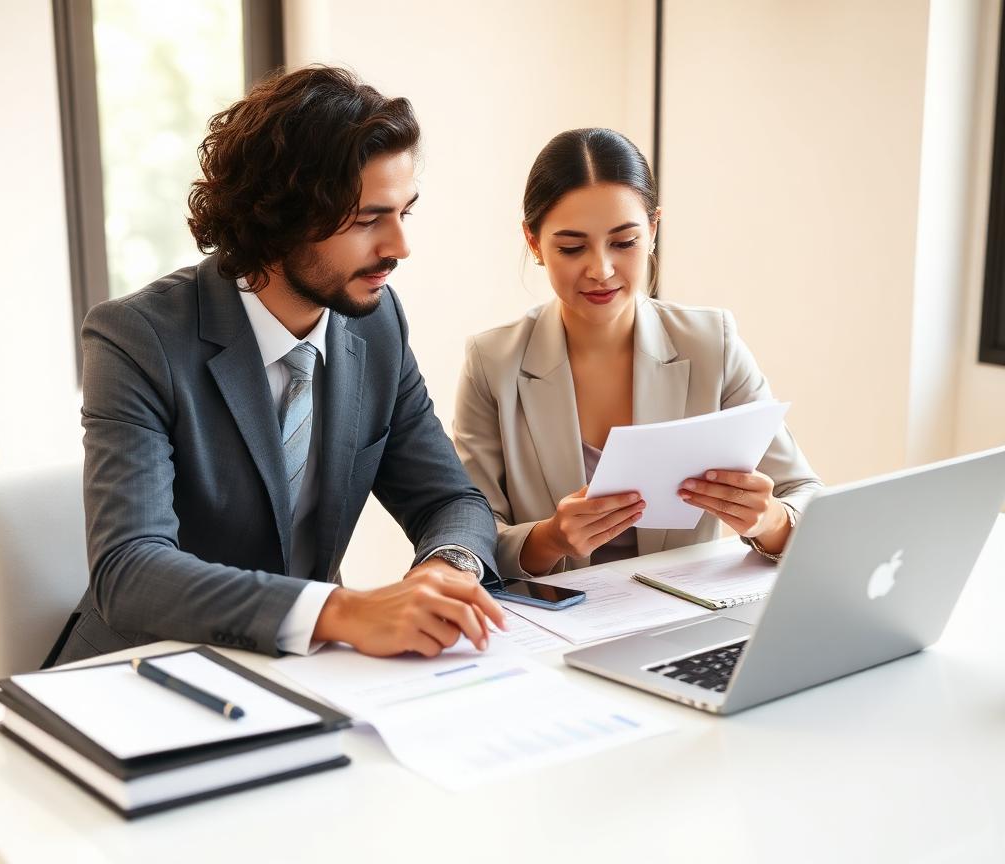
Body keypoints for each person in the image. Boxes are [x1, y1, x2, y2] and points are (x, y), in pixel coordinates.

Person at [50, 66, 505, 665]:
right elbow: (130, 572)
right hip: (150, 670)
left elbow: (451, 501)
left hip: (309, 672)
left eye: (404, 213)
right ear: (283, 218)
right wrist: (342, 610)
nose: (399, 247)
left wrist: (446, 570)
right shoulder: (137, 338)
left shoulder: (376, 323)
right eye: (368, 220)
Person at [453, 128, 822, 581]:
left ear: (652, 230)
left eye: (624, 242)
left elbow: (804, 492)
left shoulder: (712, 343)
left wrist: (768, 520)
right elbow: (468, 531)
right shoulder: (492, 362)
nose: (601, 270)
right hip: (550, 624)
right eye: (571, 248)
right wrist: (550, 539)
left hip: (680, 616)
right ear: (534, 243)